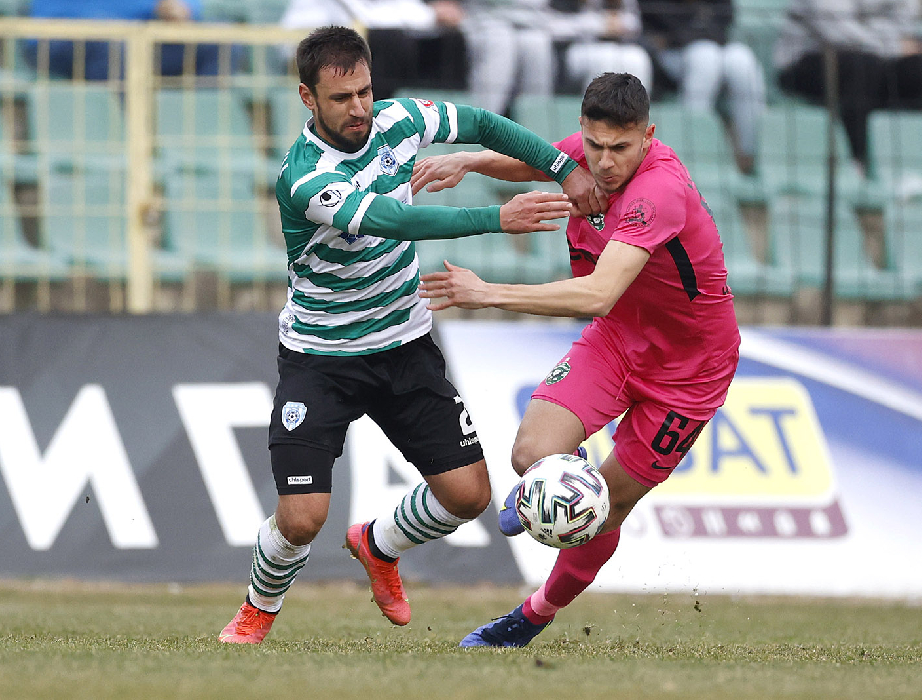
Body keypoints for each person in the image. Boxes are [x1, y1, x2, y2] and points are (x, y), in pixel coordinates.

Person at [218, 25, 604, 644]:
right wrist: (495, 217)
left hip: (404, 344)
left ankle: (379, 544)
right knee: (302, 518)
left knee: (468, 495)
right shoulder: (305, 177)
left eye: (365, 92)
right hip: (322, 357)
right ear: (307, 98)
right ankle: (257, 610)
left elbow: (481, 123)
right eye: (341, 98)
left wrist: (563, 166)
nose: (359, 109)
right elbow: (393, 219)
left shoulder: (399, 119)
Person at [413, 72, 740, 647]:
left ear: (648, 136)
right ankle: (569, 470)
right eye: (595, 145)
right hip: (618, 340)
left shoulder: (657, 191)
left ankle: (531, 617)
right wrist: (470, 161)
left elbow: (597, 294)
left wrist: (487, 292)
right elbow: (537, 161)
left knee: (600, 511)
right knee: (530, 455)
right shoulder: (589, 154)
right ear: (584, 131)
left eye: (621, 148)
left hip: (689, 372)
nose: (605, 163)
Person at [774, 0, 922, 177]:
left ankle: (910, 167)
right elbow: (836, 30)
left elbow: (904, 21)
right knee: (862, 67)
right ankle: (859, 164)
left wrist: (890, 41)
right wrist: (893, 45)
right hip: (805, 62)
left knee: (915, 68)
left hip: (875, 58)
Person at [639, 0, 765, 175]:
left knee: (742, 60)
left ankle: (749, 157)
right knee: (705, 57)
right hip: (671, 55)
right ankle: (692, 157)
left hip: (715, 45)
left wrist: (701, 31)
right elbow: (663, 28)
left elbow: (724, 21)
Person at [279, 0, 468, 99]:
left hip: (347, 54)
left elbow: (397, 7)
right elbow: (366, 17)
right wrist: (432, 14)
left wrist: (435, 14)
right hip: (305, 58)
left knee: (449, 41)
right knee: (388, 40)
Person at [25, 0, 228, 80]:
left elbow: (188, 6)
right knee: (114, 47)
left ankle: (196, 138)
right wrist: (153, 6)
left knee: (220, 42)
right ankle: (126, 139)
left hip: (142, 37)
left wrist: (182, 8)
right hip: (61, 38)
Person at [552, 0, 654, 95]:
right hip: (576, 48)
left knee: (638, 58)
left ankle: (636, 107)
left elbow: (634, 23)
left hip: (619, 47)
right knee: (605, 58)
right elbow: (553, 23)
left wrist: (619, 23)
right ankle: (595, 107)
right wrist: (600, 24)